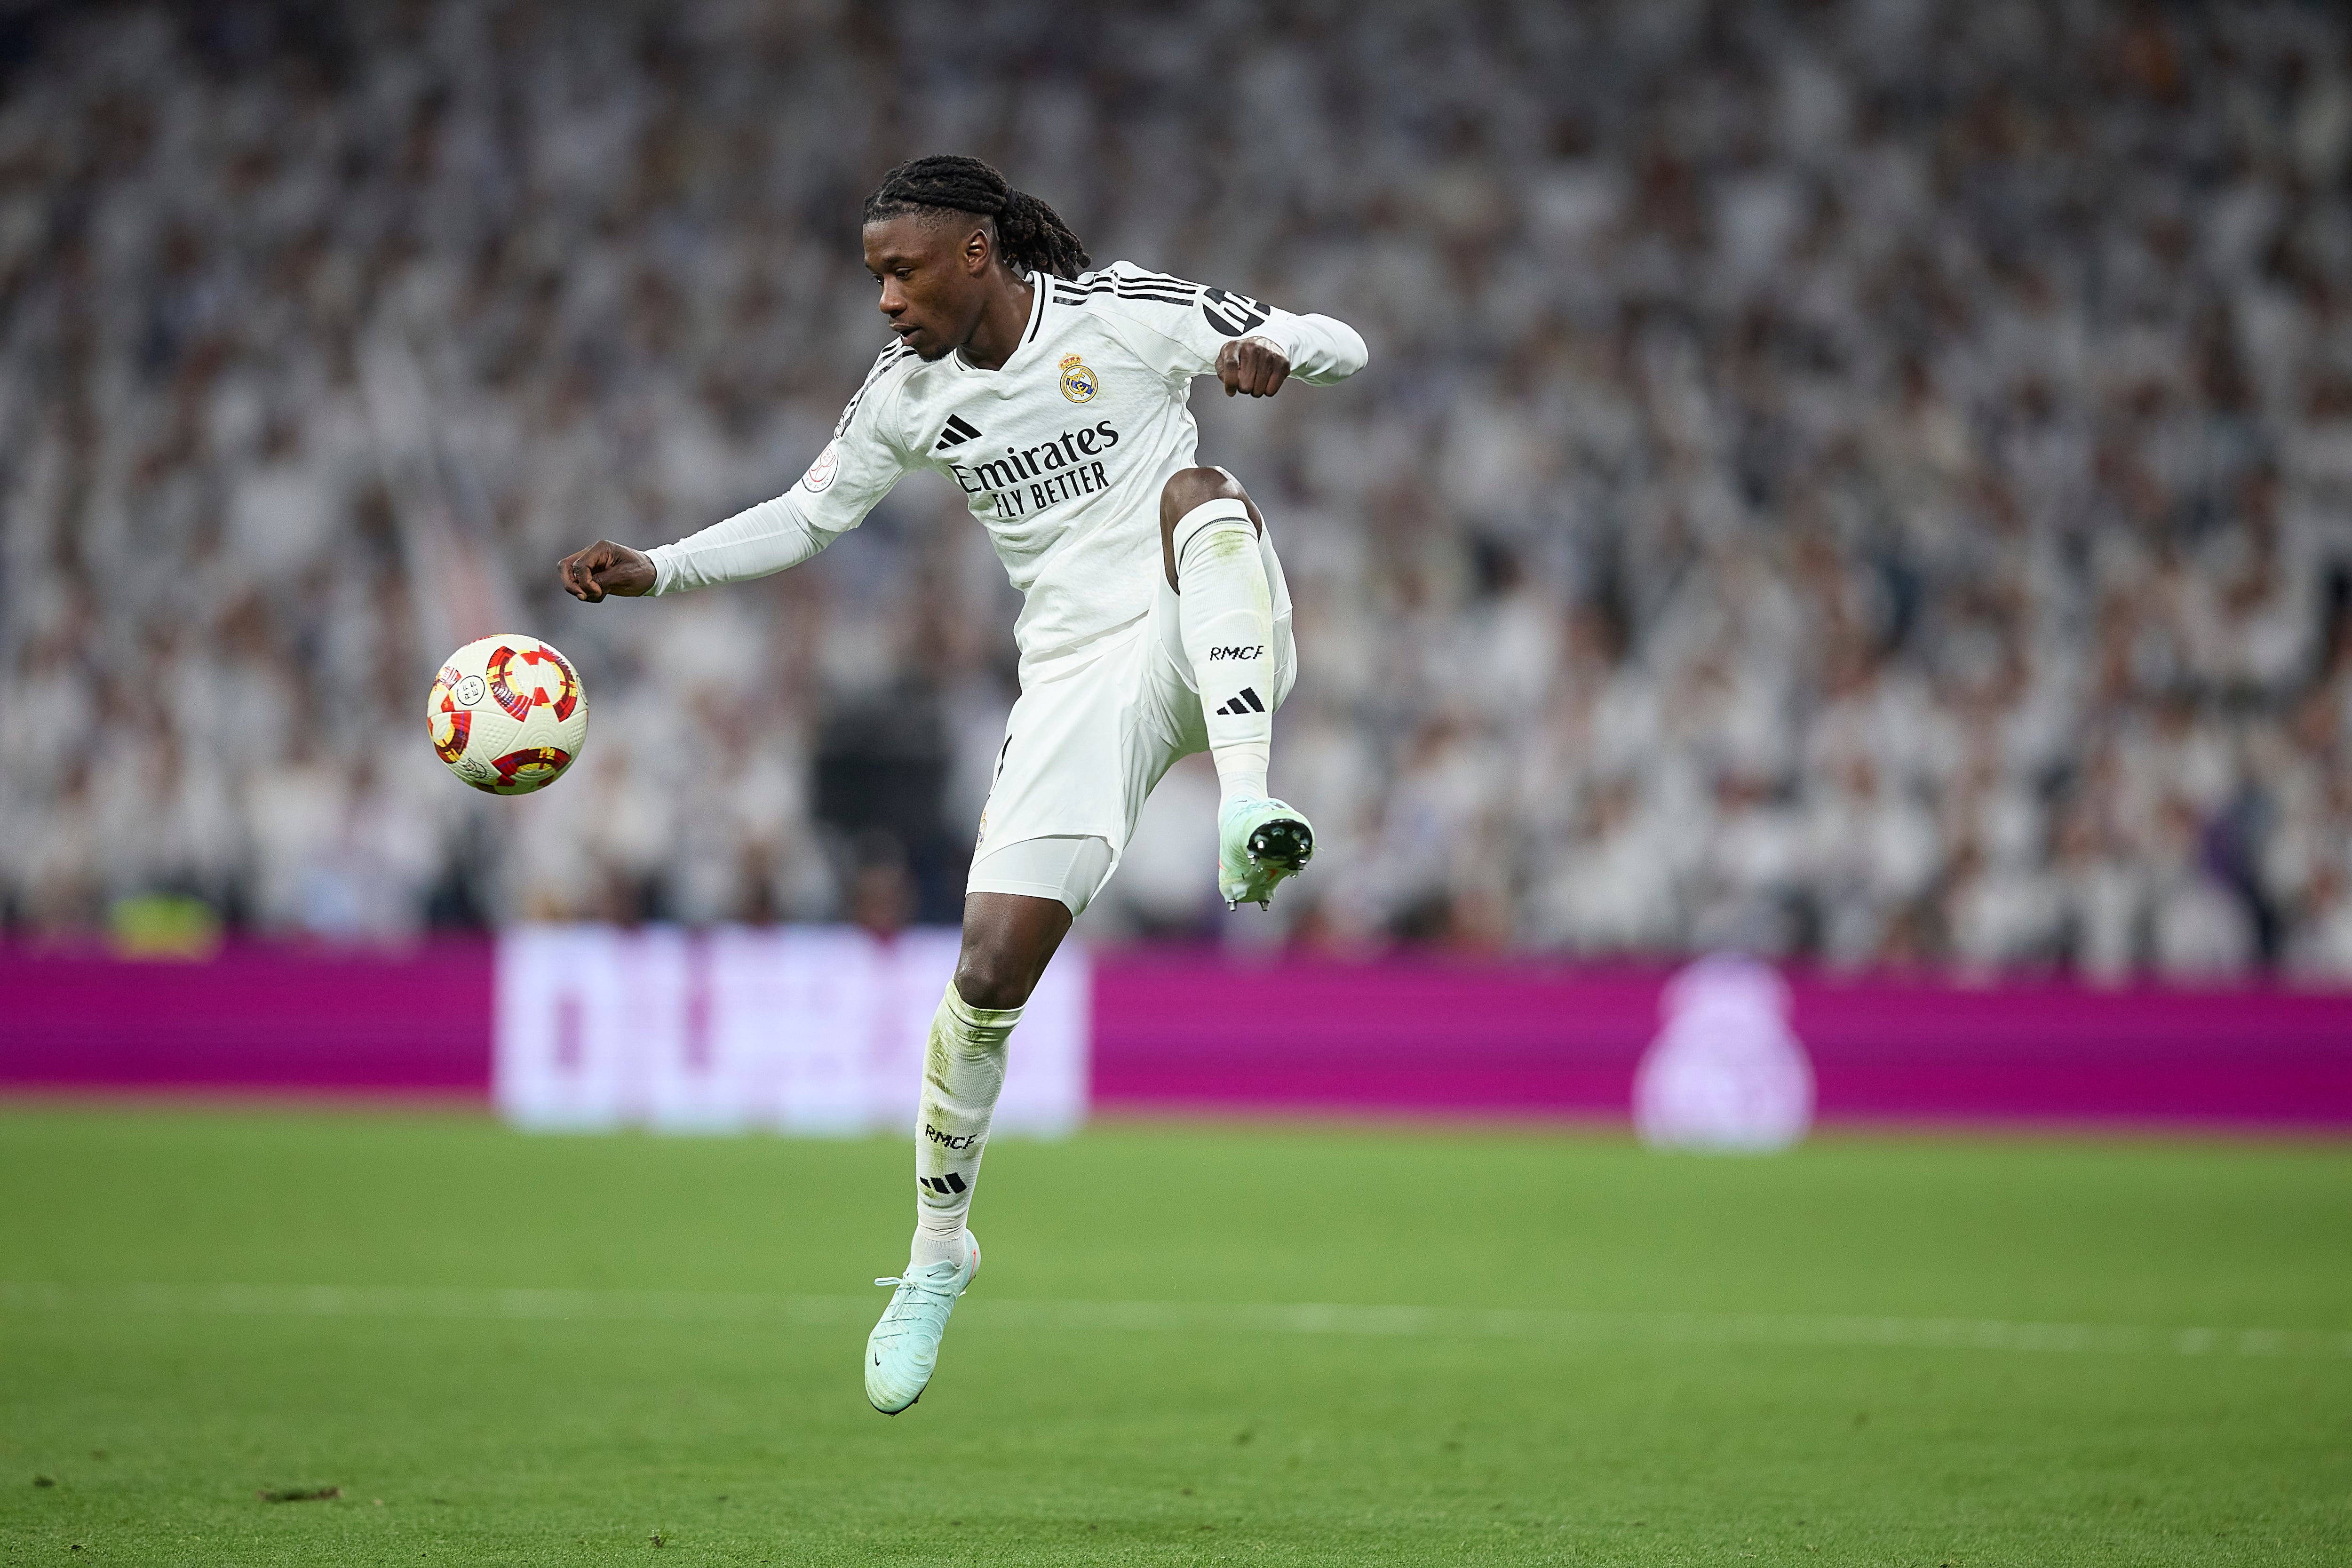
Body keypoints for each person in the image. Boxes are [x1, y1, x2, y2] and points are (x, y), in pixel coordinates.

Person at [557, 154, 1367, 1414]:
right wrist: (656, 568)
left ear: (977, 250)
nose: (883, 298)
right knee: (986, 974)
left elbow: (1347, 344)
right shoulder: (906, 396)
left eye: (902, 268)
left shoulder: (1123, 313)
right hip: (1070, 683)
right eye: (875, 274)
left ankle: (1250, 802)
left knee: (1205, 494)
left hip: (1202, 618)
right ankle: (939, 1252)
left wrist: (1279, 353)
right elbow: (806, 517)